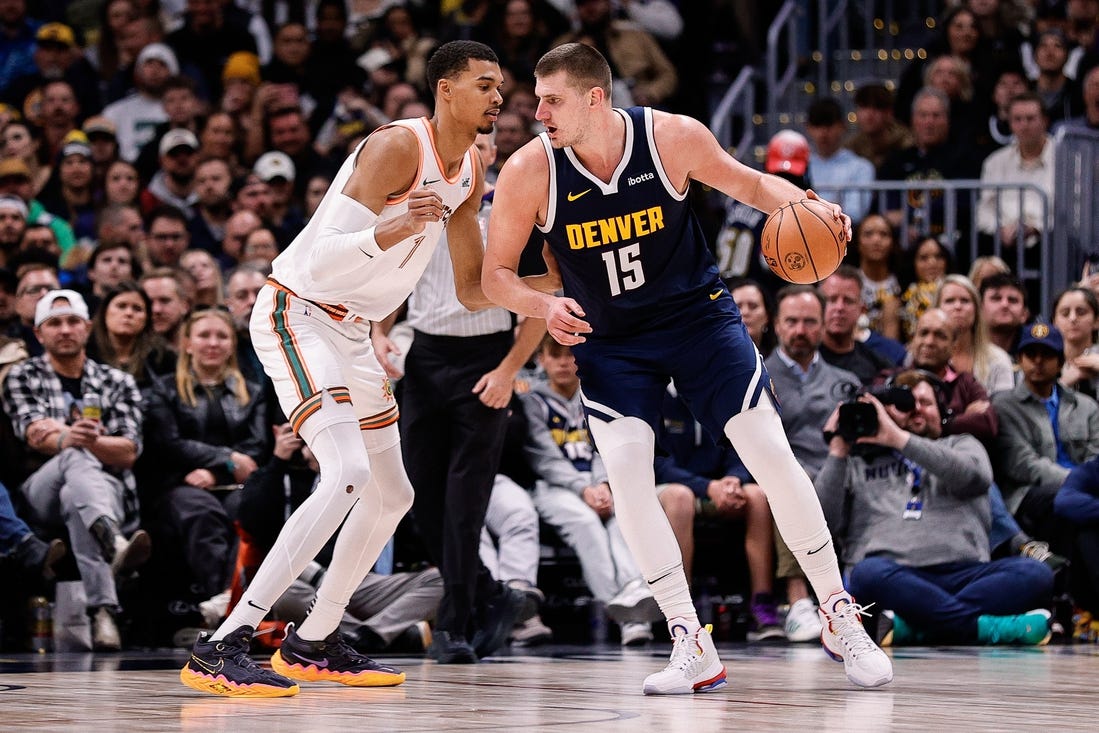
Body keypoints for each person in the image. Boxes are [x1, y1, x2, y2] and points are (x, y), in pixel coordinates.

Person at [482, 43, 893, 694]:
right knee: (628, 475)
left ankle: (838, 613)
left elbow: (755, 186)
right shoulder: (530, 170)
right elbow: (493, 274)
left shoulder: (670, 137)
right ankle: (687, 637)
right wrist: (541, 304)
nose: (538, 113)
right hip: (610, 337)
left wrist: (809, 209)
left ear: (595, 99)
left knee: (770, 453)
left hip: (696, 319)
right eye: (536, 99)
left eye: (551, 100)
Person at [180, 40, 556, 698]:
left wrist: (555, 279)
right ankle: (224, 642)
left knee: (394, 493)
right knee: (349, 473)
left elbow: (472, 289)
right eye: (484, 84)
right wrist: (391, 228)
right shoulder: (396, 148)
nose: (499, 97)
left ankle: (315, 640)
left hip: (352, 330)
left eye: (501, 86)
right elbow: (319, 261)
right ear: (445, 89)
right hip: (298, 312)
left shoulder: (469, 166)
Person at [816, 370, 1055, 646]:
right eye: (905, 404)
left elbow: (974, 477)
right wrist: (837, 451)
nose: (916, 409)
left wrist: (898, 439)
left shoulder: (963, 444)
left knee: (1035, 573)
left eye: (925, 402)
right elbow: (823, 524)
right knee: (866, 574)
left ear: (941, 410)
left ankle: (916, 628)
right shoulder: (858, 461)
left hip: (966, 575)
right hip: (895, 578)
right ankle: (984, 628)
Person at [1, 289, 150, 650]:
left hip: (108, 489)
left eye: (72, 322)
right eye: (54, 323)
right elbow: (34, 433)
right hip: (40, 491)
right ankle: (112, 542)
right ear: (39, 334)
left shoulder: (118, 381)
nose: (64, 329)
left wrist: (73, 438)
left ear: (86, 327)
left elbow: (129, 451)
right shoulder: (22, 376)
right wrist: (79, 438)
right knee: (73, 458)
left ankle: (103, 612)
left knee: (76, 495)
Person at [765, 285, 860, 642]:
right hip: (786, 471)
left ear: (822, 326)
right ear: (776, 324)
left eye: (809, 322)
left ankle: (850, 594)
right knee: (791, 484)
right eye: (792, 321)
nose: (800, 330)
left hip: (839, 471)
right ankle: (798, 602)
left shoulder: (845, 382)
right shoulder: (758, 378)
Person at [935, 274, 1015, 394]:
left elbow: (1003, 409)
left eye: (965, 301)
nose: (958, 306)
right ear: (936, 308)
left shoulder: (998, 360)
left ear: (977, 310)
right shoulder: (923, 355)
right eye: (949, 301)